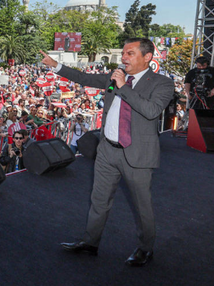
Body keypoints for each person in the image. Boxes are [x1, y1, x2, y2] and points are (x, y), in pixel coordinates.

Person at [40, 37, 174, 267]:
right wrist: (56, 65)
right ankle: (90, 243)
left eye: (130, 53)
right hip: (107, 151)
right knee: (99, 201)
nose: (123, 57)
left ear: (147, 57)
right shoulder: (115, 76)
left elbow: (151, 111)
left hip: (137, 155)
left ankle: (145, 248)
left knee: (142, 206)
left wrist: (123, 86)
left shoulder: (161, 83)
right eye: (123, 53)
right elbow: (85, 78)